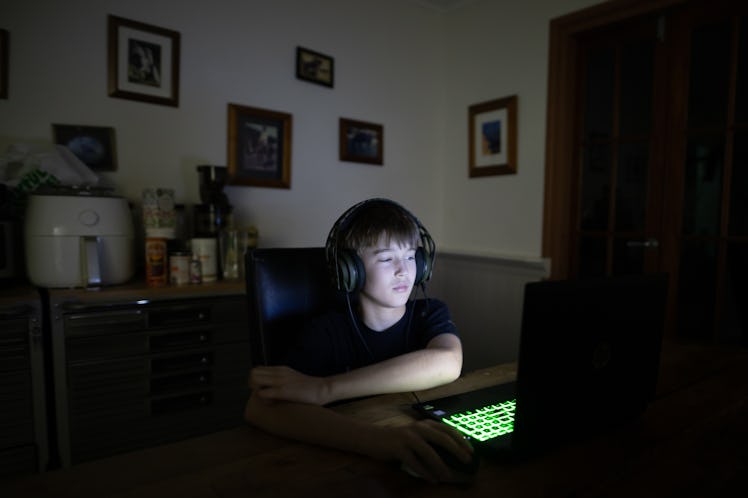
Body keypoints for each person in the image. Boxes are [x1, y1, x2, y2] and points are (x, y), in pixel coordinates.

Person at [245, 198, 472, 483]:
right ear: (350, 270)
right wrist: (377, 440)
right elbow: (260, 406)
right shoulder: (327, 331)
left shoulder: (430, 312)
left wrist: (325, 389)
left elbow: (448, 363)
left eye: (412, 256)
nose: (404, 270)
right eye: (387, 258)